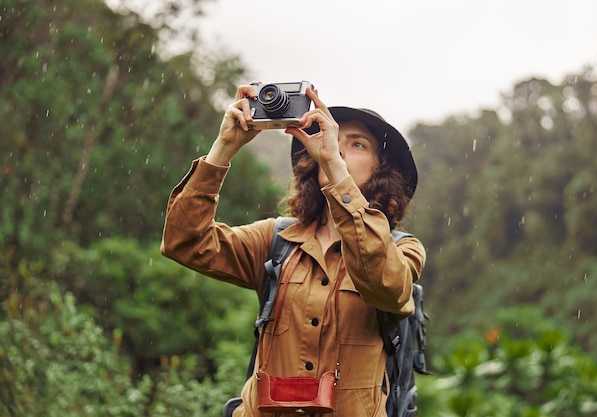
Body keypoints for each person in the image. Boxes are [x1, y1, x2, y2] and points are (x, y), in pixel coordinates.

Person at [161, 84, 426, 416]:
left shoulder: (403, 249)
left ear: (382, 171)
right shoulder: (276, 240)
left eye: (356, 144)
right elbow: (184, 241)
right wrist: (224, 148)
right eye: (332, 140)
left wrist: (336, 171)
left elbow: (385, 284)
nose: (338, 150)